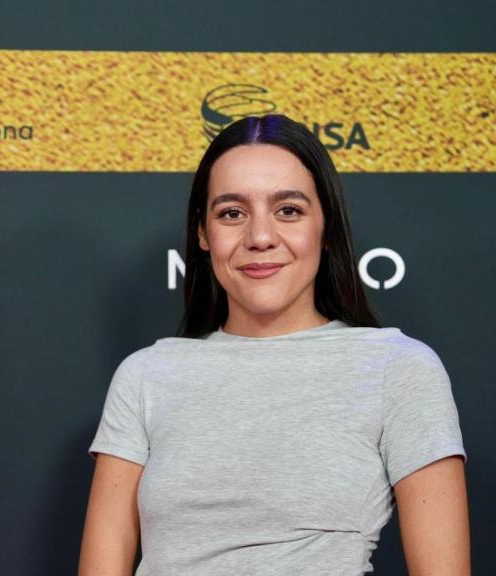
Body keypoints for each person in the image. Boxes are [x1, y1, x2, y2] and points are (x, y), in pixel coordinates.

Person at [77, 114, 469, 576]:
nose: (260, 237)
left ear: (326, 228)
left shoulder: (398, 370)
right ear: (203, 233)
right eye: (231, 213)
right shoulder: (146, 376)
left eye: (288, 210)